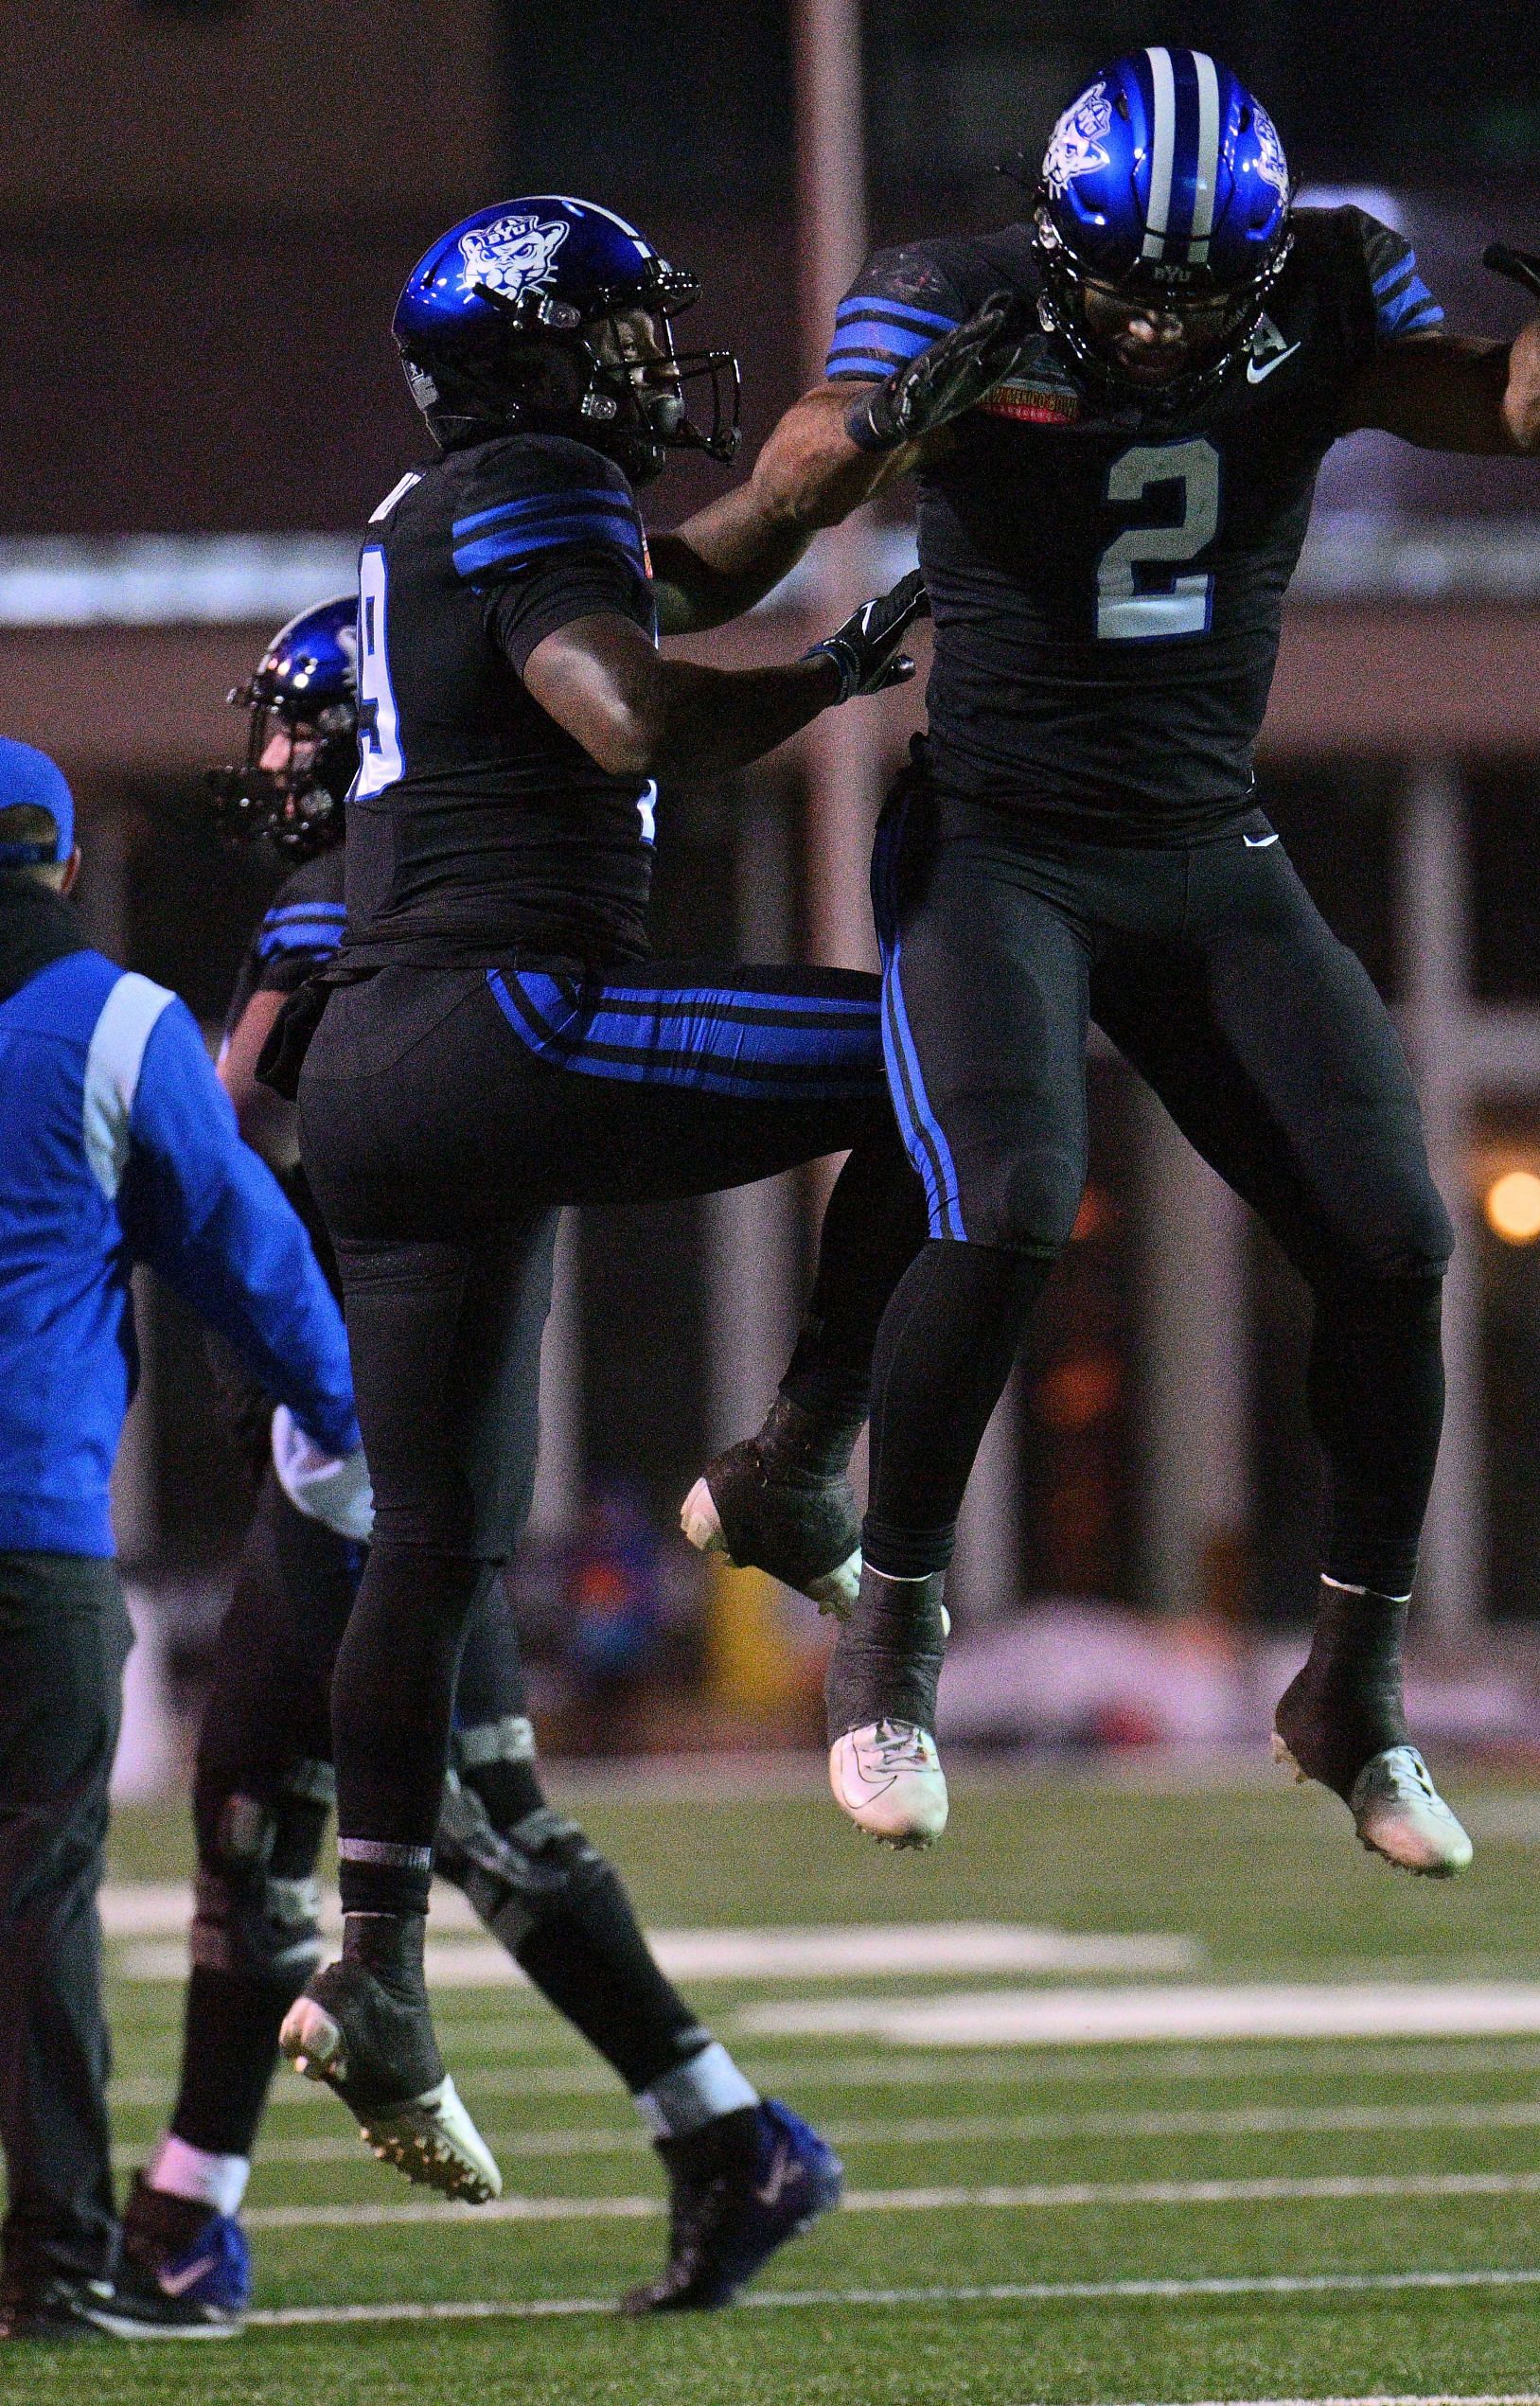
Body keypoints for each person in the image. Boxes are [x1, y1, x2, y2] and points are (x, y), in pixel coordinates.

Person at [729, 55, 1540, 1856]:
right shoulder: (959, 296)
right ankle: (894, 1641)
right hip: (1001, 838)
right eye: (1127, 285)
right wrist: (882, 428)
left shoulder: (1323, 278)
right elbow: (791, 480)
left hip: (1203, 843)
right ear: (1057, 236)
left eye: (1198, 292)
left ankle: (1354, 1688)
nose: (1160, 331)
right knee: (1008, 1196)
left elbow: (1523, 410)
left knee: (1397, 1238)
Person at [271, 196, 934, 2205]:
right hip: (506, 1019)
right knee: (947, 1059)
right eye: (629, 333)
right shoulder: (529, 480)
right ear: (543, 356)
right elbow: (630, 704)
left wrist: (862, 464)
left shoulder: (454, 502)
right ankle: (808, 1457)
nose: (657, 365)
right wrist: (821, 686)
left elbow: (691, 558)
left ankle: (373, 1959)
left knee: (438, 1547)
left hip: (376, 1086)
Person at [120, 603, 847, 2321]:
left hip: (357, 1442)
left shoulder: (350, 901)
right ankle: (722, 2132)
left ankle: (181, 2224)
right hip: (368, 1438)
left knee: (289, 1818)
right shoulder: (403, 894)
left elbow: (227, 1120)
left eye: (308, 725)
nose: (284, 759)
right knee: (450, 1822)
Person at [0, 738, 369, 2343]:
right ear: (63, 866)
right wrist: (349, 1417)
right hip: (28, 1536)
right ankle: (55, 2261)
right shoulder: (115, 1024)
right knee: (32, 1897)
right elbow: (250, 1252)